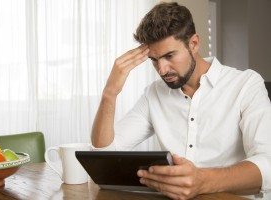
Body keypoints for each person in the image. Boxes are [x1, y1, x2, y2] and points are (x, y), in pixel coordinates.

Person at [91, 2, 271, 200]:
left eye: (169, 56)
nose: (162, 70)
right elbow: (104, 155)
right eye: (154, 59)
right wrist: (110, 93)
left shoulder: (246, 85)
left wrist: (201, 180)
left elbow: (268, 163)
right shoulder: (154, 94)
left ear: (193, 44)